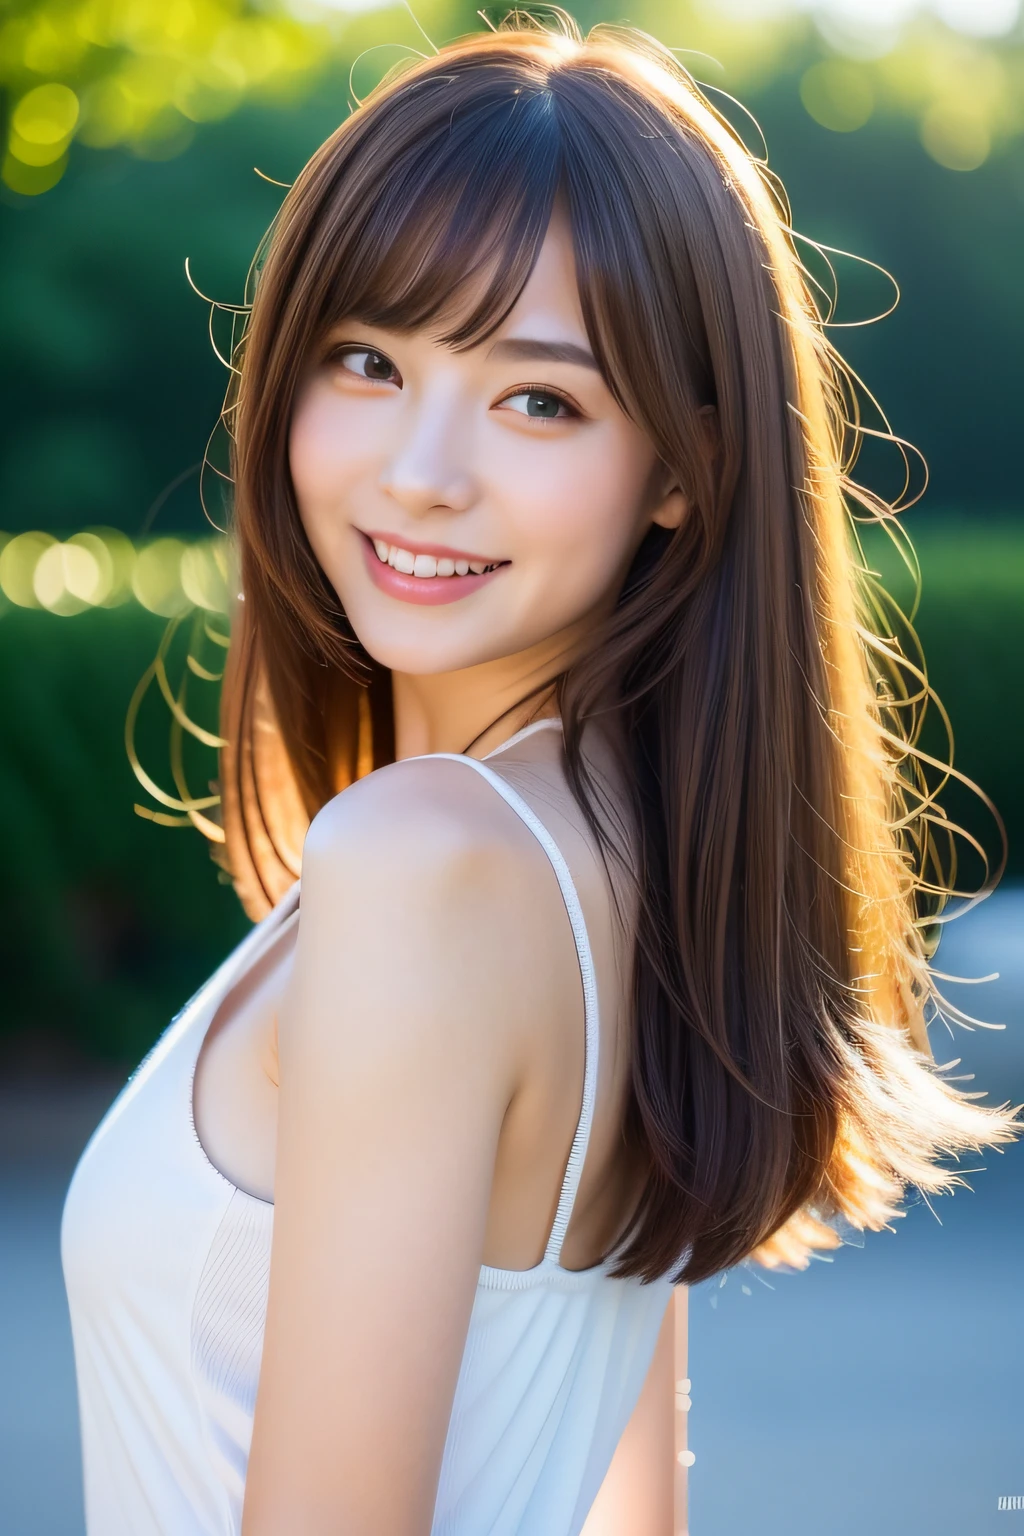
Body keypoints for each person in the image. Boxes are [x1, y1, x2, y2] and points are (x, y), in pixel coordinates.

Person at [61, 13, 1021, 1535]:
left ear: (688, 471)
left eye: (539, 399)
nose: (421, 468)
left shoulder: (425, 862)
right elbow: (632, 1508)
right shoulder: (637, 855)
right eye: (366, 360)